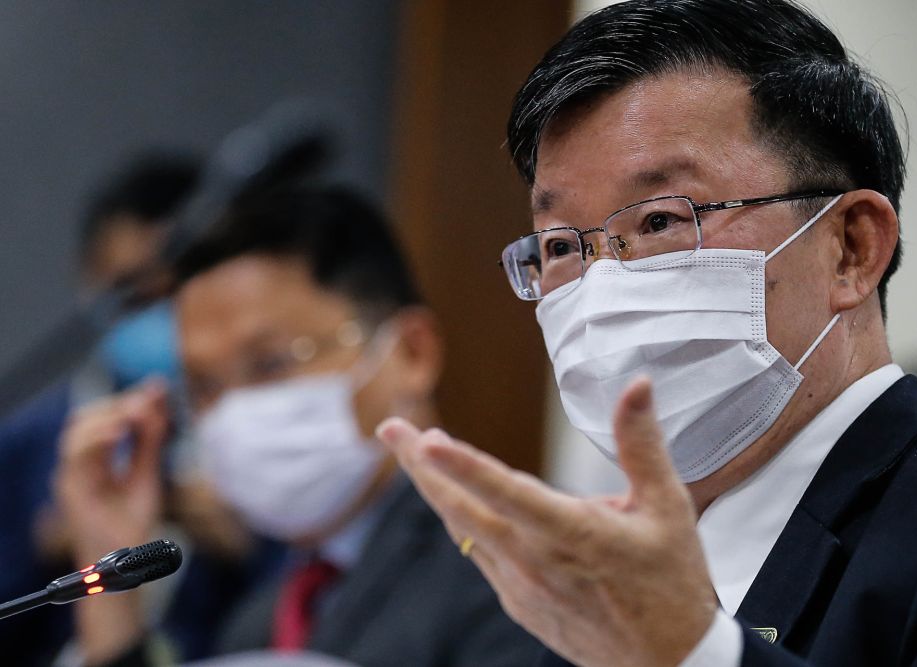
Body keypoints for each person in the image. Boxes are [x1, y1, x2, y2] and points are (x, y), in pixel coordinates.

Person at [375, 1, 917, 665]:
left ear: (850, 248)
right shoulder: (592, 592)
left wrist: (689, 649)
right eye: (561, 246)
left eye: (660, 222)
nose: (603, 286)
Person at [55, 185, 542, 667]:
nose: (233, 411)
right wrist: (108, 563)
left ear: (412, 353)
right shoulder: (259, 620)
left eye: (269, 364)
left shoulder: (519, 571)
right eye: (204, 387)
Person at [0, 152, 202, 666]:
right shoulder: (26, 443)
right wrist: (41, 548)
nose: (155, 315)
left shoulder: (265, 438)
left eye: (172, 295)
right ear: (88, 280)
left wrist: (240, 539)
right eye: (130, 295)